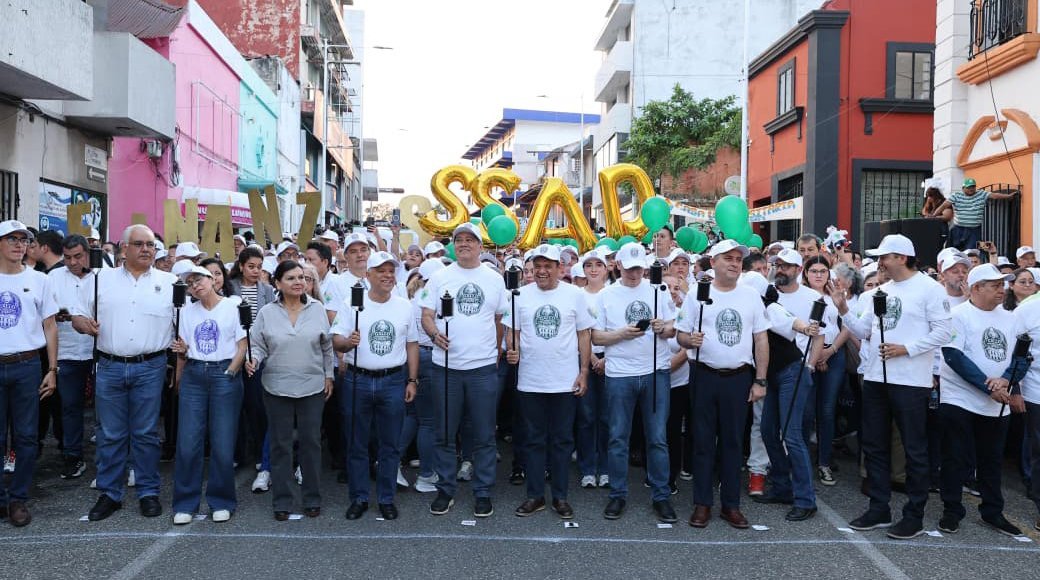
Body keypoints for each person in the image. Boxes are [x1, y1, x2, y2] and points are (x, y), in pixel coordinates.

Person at [830, 234, 952, 540]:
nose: (880, 263)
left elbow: (944, 332)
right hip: (874, 378)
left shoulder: (929, 289)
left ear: (901, 257)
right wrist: (843, 309)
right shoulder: (878, 292)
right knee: (873, 445)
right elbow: (864, 331)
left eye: (884, 257)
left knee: (914, 448)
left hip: (911, 381)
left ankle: (914, 514)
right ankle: (879, 507)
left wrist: (906, 349)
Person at [73, 225, 175, 522]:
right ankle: (110, 493)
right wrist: (82, 324)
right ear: (124, 248)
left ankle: (148, 491)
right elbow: (78, 314)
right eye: (139, 244)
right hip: (109, 365)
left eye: (151, 245)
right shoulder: (98, 280)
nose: (146, 249)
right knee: (110, 433)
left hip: (151, 366)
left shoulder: (170, 282)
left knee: (145, 433)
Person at [677, 239, 770, 529]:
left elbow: (761, 339)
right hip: (704, 375)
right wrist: (688, 340)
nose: (734, 263)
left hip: (739, 377)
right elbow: (680, 335)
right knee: (703, 442)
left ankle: (731, 505)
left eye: (738, 259)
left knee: (732, 443)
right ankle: (702, 504)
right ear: (713, 262)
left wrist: (761, 380)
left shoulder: (751, 296)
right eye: (727, 258)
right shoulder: (697, 293)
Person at [420, 223, 506, 518]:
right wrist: (433, 335)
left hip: (482, 368)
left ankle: (482, 491)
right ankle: (446, 489)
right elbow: (426, 315)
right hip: (445, 368)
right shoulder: (439, 277)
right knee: (444, 433)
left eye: (471, 240)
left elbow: (499, 320)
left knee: (484, 433)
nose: (465, 244)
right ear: (453, 246)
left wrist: (494, 353)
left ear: (481, 247)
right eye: (460, 240)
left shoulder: (494, 279)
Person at [504, 244, 593, 519]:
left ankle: (560, 496)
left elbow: (584, 335)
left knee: (562, 440)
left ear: (560, 268)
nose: (542, 271)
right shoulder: (519, 295)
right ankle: (535, 496)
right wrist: (512, 348)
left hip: (564, 381)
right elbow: (512, 331)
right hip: (531, 381)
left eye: (548, 266)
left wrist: (584, 371)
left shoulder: (575, 295)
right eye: (538, 266)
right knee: (533, 440)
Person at [938, 264, 1027, 536]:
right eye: (995, 285)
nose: (1002, 289)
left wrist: (1007, 380)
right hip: (960, 398)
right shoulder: (958, 315)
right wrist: (989, 386)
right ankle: (952, 511)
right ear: (976, 288)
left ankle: (992, 511)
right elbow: (954, 357)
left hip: (997, 401)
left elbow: (1022, 356)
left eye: (1003, 284)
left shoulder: (1012, 318)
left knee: (991, 459)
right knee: (956, 458)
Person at [592, 242, 677, 523]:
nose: (634, 274)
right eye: (629, 269)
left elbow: (672, 330)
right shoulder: (606, 295)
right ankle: (617, 494)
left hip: (655, 371)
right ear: (617, 266)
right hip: (619, 374)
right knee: (618, 437)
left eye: (639, 268)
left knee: (657, 438)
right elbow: (596, 337)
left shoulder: (659, 290)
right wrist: (620, 334)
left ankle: (661, 495)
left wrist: (662, 328)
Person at [245, 260, 334, 521]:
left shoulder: (317, 309)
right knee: (280, 445)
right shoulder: (266, 313)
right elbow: (258, 345)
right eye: (291, 278)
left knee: (311, 444)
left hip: (312, 386)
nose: (298, 282)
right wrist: (255, 360)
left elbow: (327, 347)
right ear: (277, 283)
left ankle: (311, 498)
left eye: (301, 278)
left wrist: (329, 375)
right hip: (276, 386)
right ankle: (282, 501)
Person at [333, 251, 418, 521]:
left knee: (390, 444)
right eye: (380, 271)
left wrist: (412, 380)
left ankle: (386, 498)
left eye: (391, 271)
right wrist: (348, 343)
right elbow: (336, 340)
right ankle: (359, 498)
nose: (387, 275)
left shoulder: (405, 305)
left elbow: (412, 344)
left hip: (393, 379)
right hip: (358, 379)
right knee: (357, 442)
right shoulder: (352, 303)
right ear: (368, 275)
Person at [169, 266, 246, 524]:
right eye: (190, 283)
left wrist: (230, 372)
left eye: (198, 279)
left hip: (223, 372)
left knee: (223, 442)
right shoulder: (186, 312)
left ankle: (221, 501)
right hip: (194, 372)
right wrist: (182, 351)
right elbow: (185, 347)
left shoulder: (233, 307)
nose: (195, 285)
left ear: (212, 279)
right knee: (188, 442)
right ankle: (185, 503)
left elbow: (242, 345)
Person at [755, 248, 821, 518]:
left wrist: (805, 329)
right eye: (776, 264)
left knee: (792, 436)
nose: (779, 269)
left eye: (785, 265)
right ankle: (782, 487)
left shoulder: (768, 303)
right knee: (769, 431)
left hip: (793, 370)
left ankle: (806, 500)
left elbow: (786, 320)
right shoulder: (759, 298)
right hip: (771, 373)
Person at [0, 221, 58, 527]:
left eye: (24, 239)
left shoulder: (39, 280)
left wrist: (52, 369)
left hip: (26, 365)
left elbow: (50, 326)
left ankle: (18, 498)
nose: (19, 244)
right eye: (12, 238)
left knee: (25, 437)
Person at [228, 246, 277, 492]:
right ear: (241, 266)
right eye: (251, 266)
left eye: (259, 267)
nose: (256, 271)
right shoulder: (230, 288)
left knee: (258, 406)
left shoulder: (268, 290)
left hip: (259, 355)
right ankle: (237, 453)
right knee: (235, 406)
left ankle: (259, 452)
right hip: (234, 353)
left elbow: (269, 322)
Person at [49, 234, 95, 480]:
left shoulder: (102, 274)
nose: (72, 262)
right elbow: (45, 310)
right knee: (70, 407)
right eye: (67, 258)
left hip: (99, 349)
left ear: (87, 253)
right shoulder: (54, 277)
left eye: (77, 256)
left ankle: (110, 459)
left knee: (106, 409)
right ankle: (73, 456)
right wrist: (66, 316)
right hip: (67, 351)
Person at [801, 255, 848, 486]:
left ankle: (824, 462)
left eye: (823, 271)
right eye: (814, 271)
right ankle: (801, 463)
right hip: (808, 356)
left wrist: (830, 351)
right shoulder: (800, 296)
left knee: (827, 411)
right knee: (807, 411)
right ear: (806, 273)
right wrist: (816, 356)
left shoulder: (836, 296)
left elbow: (847, 326)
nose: (818, 275)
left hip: (834, 354)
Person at [403, 258, 445, 493]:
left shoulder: (414, 298)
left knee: (414, 416)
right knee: (428, 420)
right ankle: (427, 475)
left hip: (415, 357)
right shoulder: (430, 299)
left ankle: (388, 461)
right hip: (428, 356)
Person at [577, 249, 611, 489]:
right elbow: (579, 332)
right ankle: (588, 468)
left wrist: (605, 359)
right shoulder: (577, 295)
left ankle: (607, 467)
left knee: (608, 418)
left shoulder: (615, 293)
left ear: (607, 268)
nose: (594, 269)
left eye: (599, 264)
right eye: (589, 265)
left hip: (612, 363)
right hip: (584, 363)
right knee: (587, 417)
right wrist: (590, 361)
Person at [931, 178, 1018, 251]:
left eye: (973, 187)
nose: (971, 189)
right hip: (958, 229)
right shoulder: (956, 196)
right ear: (963, 188)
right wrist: (934, 215)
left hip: (974, 230)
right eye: (968, 187)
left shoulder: (981, 194)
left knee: (971, 251)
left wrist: (1008, 196)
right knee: (952, 250)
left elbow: (995, 195)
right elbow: (944, 206)